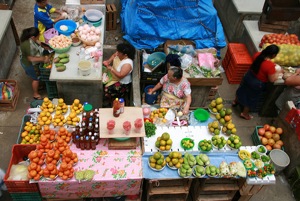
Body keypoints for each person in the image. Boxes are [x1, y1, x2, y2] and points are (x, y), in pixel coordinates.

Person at [233, 44, 281, 120]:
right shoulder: (270, 66)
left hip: (249, 76)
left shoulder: (257, 55)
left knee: (242, 90)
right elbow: (272, 80)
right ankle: (244, 114)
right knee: (251, 99)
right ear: (274, 55)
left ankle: (235, 101)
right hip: (257, 83)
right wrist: (278, 72)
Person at [20, 27, 50, 100]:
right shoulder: (27, 45)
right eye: (38, 35)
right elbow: (30, 59)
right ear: (33, 37)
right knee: (35, 79)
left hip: (28, 60)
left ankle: (38, 85)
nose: (39, 37)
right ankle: (35, 94)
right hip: (28, 64)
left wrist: (44, 46)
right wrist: (43, 59)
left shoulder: (30, 38)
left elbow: (37, 41)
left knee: (35, 75)